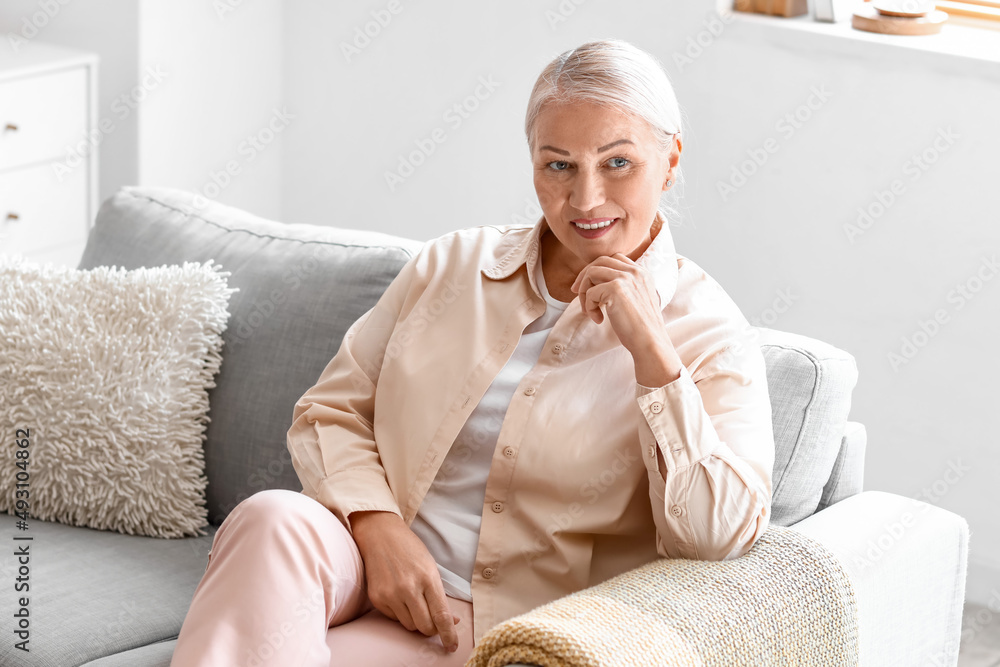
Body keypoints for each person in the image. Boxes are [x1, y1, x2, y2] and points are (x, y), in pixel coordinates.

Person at [170, 38, 775, 667]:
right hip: (363, 558)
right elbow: (332, 412)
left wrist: (654, 359)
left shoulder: (710, 333)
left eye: (618, 163)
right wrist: (379, 529)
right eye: (558, 165)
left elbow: (716, 536)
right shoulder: (451, 266)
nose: (587, 199)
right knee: (271, 519)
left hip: (498, 624)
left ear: (670, 160)